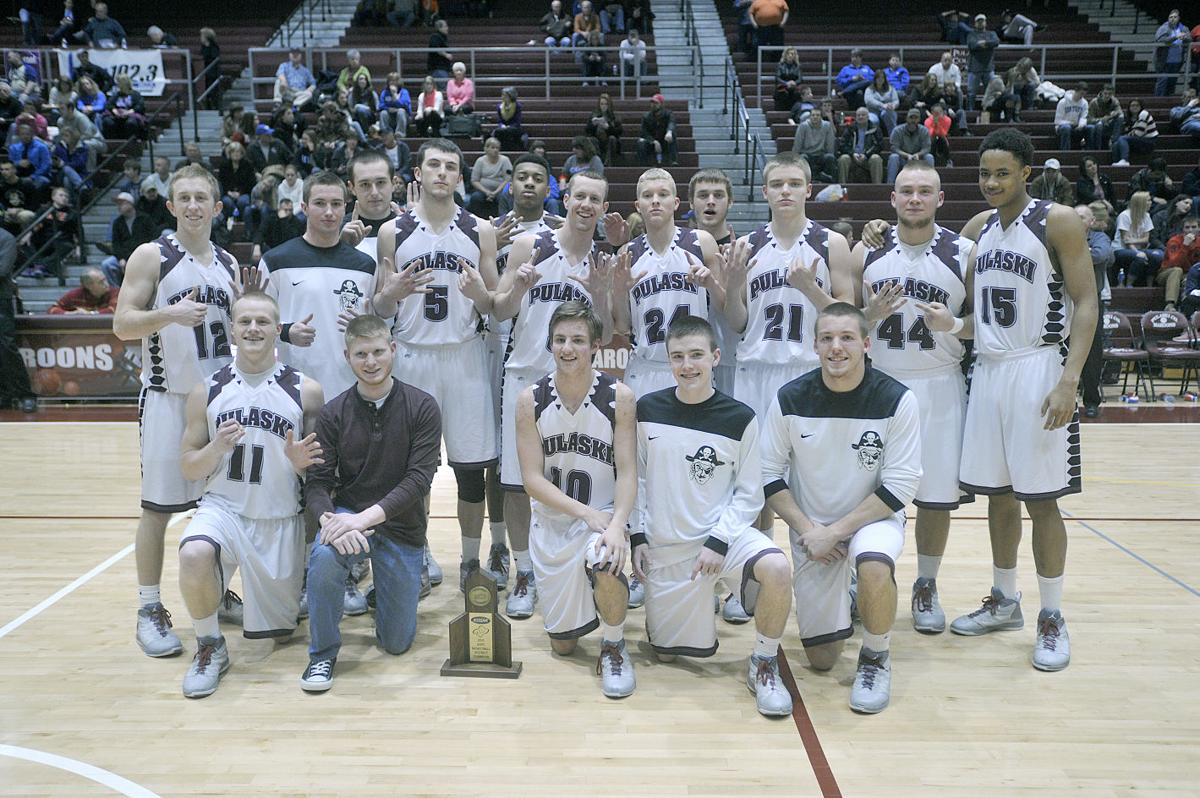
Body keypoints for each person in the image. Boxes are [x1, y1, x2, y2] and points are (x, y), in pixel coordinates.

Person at [924, 128, 1097, 672]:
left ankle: (1052, 616)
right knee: (998, 495)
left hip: (1039, 367)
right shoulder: (978, 230)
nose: (992, 182)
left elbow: (1086, 303)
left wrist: (1069, 379)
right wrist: (953, 325)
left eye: (1002, 173)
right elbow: (982, 319)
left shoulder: (1057, 221)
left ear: (1026, 172)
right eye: (984, 173)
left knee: (1041, 500)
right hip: (989, 372)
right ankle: (1004, 600)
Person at [112, 165, 246, 659]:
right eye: (183, 198)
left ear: (217, 207)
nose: (193, 205)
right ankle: (148, 608)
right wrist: (169, 313)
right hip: (168, 399)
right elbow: (122, 324)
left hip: (219, 403)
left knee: (227, 506)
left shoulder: (228, 263)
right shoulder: (152, 255)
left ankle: (216, 590)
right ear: (170, 206)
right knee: (157, 509)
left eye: (201, 198)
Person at [632, 315, 794, 717]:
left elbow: (750, 493)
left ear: (715, 357)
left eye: (696, 355)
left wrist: (719, 540)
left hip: (722, 540)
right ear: (669, 360)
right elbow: (635, 480)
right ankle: (706, 600)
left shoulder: (740, 418)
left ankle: (764, 662)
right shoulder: (647, 410)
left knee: (777, 568)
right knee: (666, 654)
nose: (687, 366)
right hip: (669, 548)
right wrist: (637, 536)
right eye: (678, 357)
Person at [763, 302, 921, 713]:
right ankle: (856, 596)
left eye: (847, 338)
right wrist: (809, 530)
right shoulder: (789, 398)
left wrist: (836, 532)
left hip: (872, 518)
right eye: (827, 338)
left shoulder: (897, 399)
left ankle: (876, 655)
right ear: (815, 346)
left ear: (866, 344)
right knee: (822, 659)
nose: (837, 347)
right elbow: (767, 474)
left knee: (873, 563)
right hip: (812, 528)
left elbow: (901, 485)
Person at [175, 290, 323, 698]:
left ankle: (235, 596)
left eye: (262, 322)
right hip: (223, 508)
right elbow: (188, 466)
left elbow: (321, 473)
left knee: (278, 635)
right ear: (232, 330)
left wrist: (301, 464)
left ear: (278, 329)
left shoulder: (307, 391)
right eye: (245, 322)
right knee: (194, 553)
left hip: (279, 518)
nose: (253, 329)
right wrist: (215, 449)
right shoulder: (206, 391)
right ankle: (209, 645)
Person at [373, 138, 501, 594]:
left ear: (460, 177)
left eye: (450, 166)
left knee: (471, 470)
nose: (442, 173)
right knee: (414, 470)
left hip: (465, 355)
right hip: (413, 356)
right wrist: (392, 294)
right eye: (433, 165)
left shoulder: (480, 230)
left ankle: (470, 560)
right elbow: (379, 309)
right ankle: (420, 552)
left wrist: (480, 296)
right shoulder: (393, 232)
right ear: (419, 174)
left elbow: (494, 305)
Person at [850, 161, 971, 638]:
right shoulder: (867, 250)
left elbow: (982, 324)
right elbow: (845, 323)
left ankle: (926, 584)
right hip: (879, 384)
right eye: (906, 191)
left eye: (924, 191)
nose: (914, 199)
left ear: (940, 199)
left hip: (939, 383)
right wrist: (868, 314)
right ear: (892, 198)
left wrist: (954, 325)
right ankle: (862, 579)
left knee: (935, 497)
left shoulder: (964, 252)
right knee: (865, 490)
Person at [490, 169, 611, 617]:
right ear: (567, 199)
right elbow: (499, 310)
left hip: (578, 382)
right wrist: (519, 287)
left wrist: (602, 293)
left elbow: (609, 332)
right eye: (580, 196)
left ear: (603, 208)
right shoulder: (530, 245)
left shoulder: (603, 259)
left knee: (573, 478)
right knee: (517, 483)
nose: (586, 205)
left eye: (595, 199)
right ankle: (524, 571)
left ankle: (579, 563)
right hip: (526, 375)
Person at [299, 313, 441, 692]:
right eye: (361, 354)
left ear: (393, 349)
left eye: (378, 351)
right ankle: (322, 654)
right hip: (349, 519)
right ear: (347, 357)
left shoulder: (422, 406)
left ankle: (385, 593)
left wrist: (363, 519)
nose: (371, 362)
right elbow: (317, 483)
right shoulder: (333, 413)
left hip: (400, 525)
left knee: (396, 643)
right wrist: (329, 520)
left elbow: (418, 481)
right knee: (324, 555)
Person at [723, 151, 853, 538]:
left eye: (794, 184)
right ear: (764, 191)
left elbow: (848, 317)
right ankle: (761, 563)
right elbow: (737, 322)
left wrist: (811, 290)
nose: (785, 191)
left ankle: (819, 557)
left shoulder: (831, 243)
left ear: (808, 190)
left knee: (814, 478)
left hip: (809, 372)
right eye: (777, 184)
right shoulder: (746, 246)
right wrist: (733, 285)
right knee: (754, 481)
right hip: (756, 369)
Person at [511, 299, 636, 696]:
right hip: (554, 523)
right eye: (560, 339)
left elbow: (628, 471)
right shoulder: (530, 400)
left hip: (602, 517)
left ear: (596, 346)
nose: (568, 348)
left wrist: (617, 524)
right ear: (550, 343)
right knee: (563, 646)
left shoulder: (619, 397)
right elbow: (532, 480)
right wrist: (584, 514)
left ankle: (614, 646)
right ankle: (589, 595)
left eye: (578, 340)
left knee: (606, 558)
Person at [611, 168, 722, 399]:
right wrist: (619, 292)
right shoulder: (626, 254)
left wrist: (711, 284)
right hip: (645, 367)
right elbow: (622, 327)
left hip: (694, 366)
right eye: (647, 196)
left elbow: (724, 307)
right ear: (638, 205)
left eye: (662, 194)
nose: (655, 201)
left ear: (676, 202)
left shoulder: (702, 243)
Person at [1074, 203, 1113, 418]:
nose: (1077, 219)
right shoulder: (1062, 236)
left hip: (1090, 301)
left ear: (1092, 222)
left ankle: (1091, 401)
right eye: (1075, 215)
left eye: (1082, 217)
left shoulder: (1099, 237)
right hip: (1063, 299)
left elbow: (1101, 255)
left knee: (1091, 352)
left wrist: (1070, 253)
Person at [0, 225, 35, 412]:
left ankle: (25, 394)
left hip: (0, 300)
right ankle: (4, 394)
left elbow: (2, 270)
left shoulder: (6, 238)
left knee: (6, 347)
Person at [100, 192, 157, 286]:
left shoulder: (144, 218)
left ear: (130, 203)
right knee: (106, 264)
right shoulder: (117, 222)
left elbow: (154, 237)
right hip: (124, 255)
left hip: (143, 254)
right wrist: (121, 258)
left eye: (121, 203)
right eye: (118, 204)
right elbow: (116, 244)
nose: (119, 207)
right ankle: (116, 290)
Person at [1114, 190, 1165, 286]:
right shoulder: (1124, 215)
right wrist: (1137, 251)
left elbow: (1146, 239)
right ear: (1141, 202)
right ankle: (1129, 285)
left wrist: (1134, 241)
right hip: (1121, 249)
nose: (1151, 203)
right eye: (1148, 200)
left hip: (1140, 248)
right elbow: (1126, 241)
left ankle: (1150, 285)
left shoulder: (1147, 216)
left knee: (1159, 255)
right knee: (1139, 257)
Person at [837, 107, 885, 184]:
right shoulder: (850, 128)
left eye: (863, 115)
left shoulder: (875, 129)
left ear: (868, 117)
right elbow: (842, 145)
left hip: (868, 158)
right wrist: (852, 153)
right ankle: (842, 186)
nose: (860, 117)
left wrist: (866, 155)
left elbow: (879, 145)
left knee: (876, 158)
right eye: (858, 115)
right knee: (843, 158)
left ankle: (877, 187)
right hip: (852, 157)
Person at [1160, 216, 1198, 310]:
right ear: (1182, 230)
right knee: (1177, 270)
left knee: (1190, 277)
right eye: (1187, 227)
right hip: (1167, 272)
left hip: (1188, 274)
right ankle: (1170, 304)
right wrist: (1185, 246)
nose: (1190, 230)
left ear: (1199, 229)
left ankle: (1188, 307)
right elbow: (1174, 263)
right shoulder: (1174, 241)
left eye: (1193, 227)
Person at [886, 108, 934, 184]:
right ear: (907, 118)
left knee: (929, 157)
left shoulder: (924, 131)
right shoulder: (897, 130)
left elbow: (927, 148)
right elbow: (894, 148)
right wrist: (906, 155)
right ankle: (890, 183)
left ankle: (931, 182)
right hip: (902, 158)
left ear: (919, 119)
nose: (913, 120)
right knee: (893, 157)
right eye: (911, 118)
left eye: (916, 118)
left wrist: (918, 154)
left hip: (919, 158)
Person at [791, 104, 837, 183]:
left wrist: (830, 154)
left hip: (821, 155)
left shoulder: (827, 126)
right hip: (807, 155)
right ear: (810, 117)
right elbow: (797, 145)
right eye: (813, 115)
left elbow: (830, 145)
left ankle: (829, 182)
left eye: (817, 115)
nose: (815, 117)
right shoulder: (803, 126)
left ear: (821, 117)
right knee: (802, 158)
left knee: (830, 157)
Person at [468, 138, 513, 218]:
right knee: (476, 197)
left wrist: (495, 192)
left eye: (497, 148)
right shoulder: (480, 161)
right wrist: (487, 192)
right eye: (493, 147)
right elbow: (474, 180)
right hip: (483, 191)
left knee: (503, 197)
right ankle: (477, 220)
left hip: (501, 190)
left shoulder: (505, 160)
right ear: (486, 148)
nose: (495, 150)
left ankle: (503, 220)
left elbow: (508, 179)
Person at [1154, 9, 1191, 97]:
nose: (1172, 19)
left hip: (1177, 60)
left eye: (1175, 17)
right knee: (1162, 81)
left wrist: (1184, 37)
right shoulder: (1163, 28)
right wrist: (1175, 37)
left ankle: (1169, 99)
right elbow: (1160, 40)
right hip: (1164, 60)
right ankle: (1158, 99)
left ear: (1179, 18)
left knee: (1172, 81)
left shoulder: (1184, 28)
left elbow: (1190, 39)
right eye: (1170, 17)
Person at [965, 13, 999, 112]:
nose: (980, 23)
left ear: (985, 22)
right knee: (971, 92)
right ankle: (970, 111)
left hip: (988, 68)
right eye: (978, 21)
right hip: (974, 68)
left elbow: (996, 42)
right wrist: (988, 44)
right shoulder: (971, 34)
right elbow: (972, 45)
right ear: (975, 23)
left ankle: (991, 109)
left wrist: (983, 43)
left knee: (992, 91)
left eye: (982, 21)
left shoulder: (992, 33)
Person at [48, 267, 116, 314]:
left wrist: (90, 314)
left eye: (105, 279)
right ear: (89, 286)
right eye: (101, 282)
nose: (106, 284)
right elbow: (52, 309)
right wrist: (70, 314)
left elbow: (114, 310)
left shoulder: (114, 292)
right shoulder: (74, 295)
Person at [1112, 98, 1158, 166]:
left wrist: (1131, 133)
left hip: (1149, 141)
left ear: (1141, 107)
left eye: (1137, 105)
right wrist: (1131, 133)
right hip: (1139, 141)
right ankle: (1118, 164)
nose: (1135, 107)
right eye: (1132, 105)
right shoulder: (1129, 118)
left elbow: (1138, 134)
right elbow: (1129, 133)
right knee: (1116, 144)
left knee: (1122, 138)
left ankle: (1125, 160)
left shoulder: (1143, 114)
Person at [636, 94, 677, 166]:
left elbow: (671, 123)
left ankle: (673, 161)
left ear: (661, 104)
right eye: (652, 103)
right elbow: (644, 132)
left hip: (664, 142)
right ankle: (643, 165)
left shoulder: (668, 114)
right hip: (652, 142)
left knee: (671, 135)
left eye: (656, 103)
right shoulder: (646, 116)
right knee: (640, 142)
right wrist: (653, 141)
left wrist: (669, 132)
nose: (653, 105)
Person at [586, 93, 623, 165]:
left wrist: (608, 128)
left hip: (609, 141)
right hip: (597, 140)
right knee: (591, 140)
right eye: (602, 104)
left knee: (612, 139)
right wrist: (593, 125)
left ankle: (608, 163)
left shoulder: (614, 116)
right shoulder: (594, 115)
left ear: (609, 105)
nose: (603, 106)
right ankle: (597, 162)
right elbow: (587, 131)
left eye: (606, 104)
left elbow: (619, 132)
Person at [1054, 83, 1092, 151]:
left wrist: (1081, 125)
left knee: (1091, 128)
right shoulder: (1063, 102)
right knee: (1066, 128)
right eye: (1081, 93)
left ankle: (1089, 151)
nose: (1082, 96)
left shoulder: (1084, 103)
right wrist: (1070, 123)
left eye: (1084, 94)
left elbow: (1084, 117)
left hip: (1077, 126)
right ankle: (1065, 152)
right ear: (1076, 91)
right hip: (1062, 126)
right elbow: (1057, 121)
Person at [1089, 85, 1123, 151]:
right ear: (1101, 93)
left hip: (1109, 123)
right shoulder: (1094, 102)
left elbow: (1120, 112)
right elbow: (1089, 120)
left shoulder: (1114, 101)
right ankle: (1097, 150)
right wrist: (1102, 119)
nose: (1107, 96)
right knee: (1099, 125)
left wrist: (1113, 114)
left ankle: (1115, 143)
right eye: (1105, 93)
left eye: (1110, 94)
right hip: (1097, 124)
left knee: (1120, 117)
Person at [495, 87, 526, 151]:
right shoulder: (499, 106)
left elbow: (517, 121)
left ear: (511, 96)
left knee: (510, 131)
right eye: (502, 95)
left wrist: (509, 126)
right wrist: (502, 126)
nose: (502, 97)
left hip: (514, 127)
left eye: (505, 95)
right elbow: (500, 121)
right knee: (498, 132)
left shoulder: (518, 106)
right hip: (503, 128)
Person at [427, 19, 453, 87]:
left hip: (443, 68)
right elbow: (435, 48)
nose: (447, 28)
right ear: (439, 28)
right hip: (438, 68)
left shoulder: (443, 37)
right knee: (442, 88)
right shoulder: (435, 36)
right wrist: (446, 55)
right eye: (445, 26)